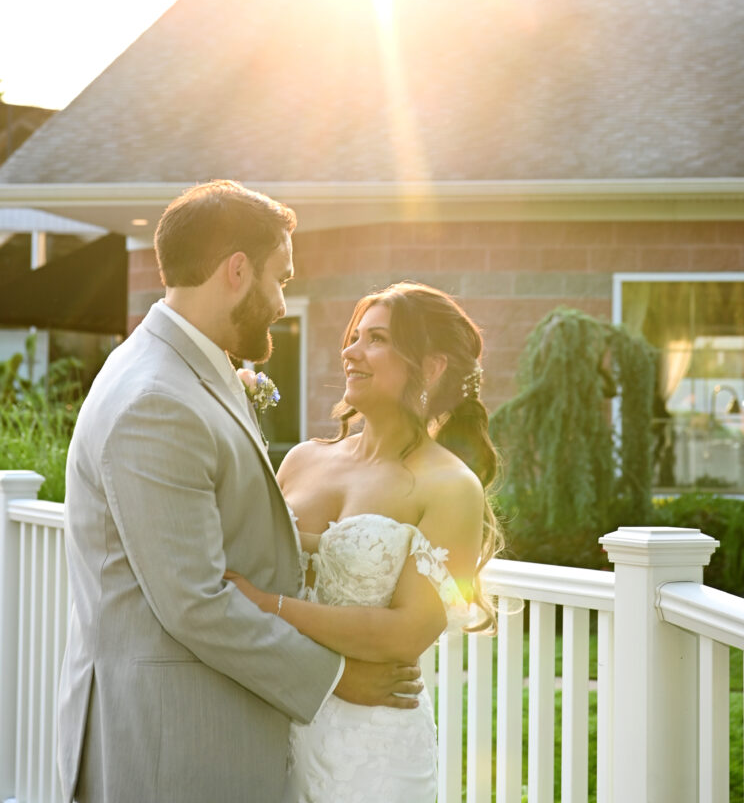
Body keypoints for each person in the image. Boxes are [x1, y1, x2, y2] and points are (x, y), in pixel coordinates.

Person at [57, 180, 421, 803]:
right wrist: (337, 677)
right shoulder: (156, 402)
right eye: (280, 278)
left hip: (195, 723)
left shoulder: (177, 367)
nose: (282, 302)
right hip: (172, 742)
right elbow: (194, 601)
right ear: (236, 270)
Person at [227, 280, 501, 802]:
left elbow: (406, 634)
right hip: (274, 717)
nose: (350, 351)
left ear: (433, 366)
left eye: (375, 339)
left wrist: (270, 605)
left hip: (371, 745)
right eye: (354, 336)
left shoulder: (449, 487)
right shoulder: (303, 460)